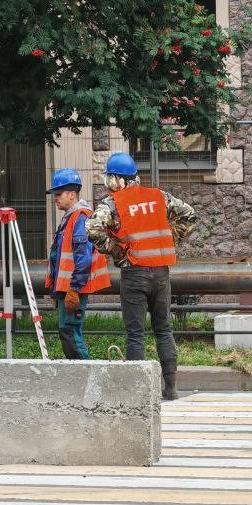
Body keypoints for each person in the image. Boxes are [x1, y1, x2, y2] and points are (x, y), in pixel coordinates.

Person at [87, 152, 197, 399]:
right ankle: (171, 389)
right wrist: (173, 237)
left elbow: (92, 228)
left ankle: (138, 393)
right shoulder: (159, 197)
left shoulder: (112, 203)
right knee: (164, 330)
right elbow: (189, 214)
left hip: (134, 273)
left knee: (136, 333)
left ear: (117, 179)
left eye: (109, 179)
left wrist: (114, 249)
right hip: (160, 273)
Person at [44, 168, 111, 359]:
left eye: (58, 194)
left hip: (73, 288)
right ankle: (82, 379)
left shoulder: (80, 217)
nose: (55, 198)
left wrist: (73, 289)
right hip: (68, 288)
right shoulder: (72, 217)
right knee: (69, 333)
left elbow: (83, 258)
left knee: (71, 334)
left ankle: (89, 378)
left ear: (72, 194)